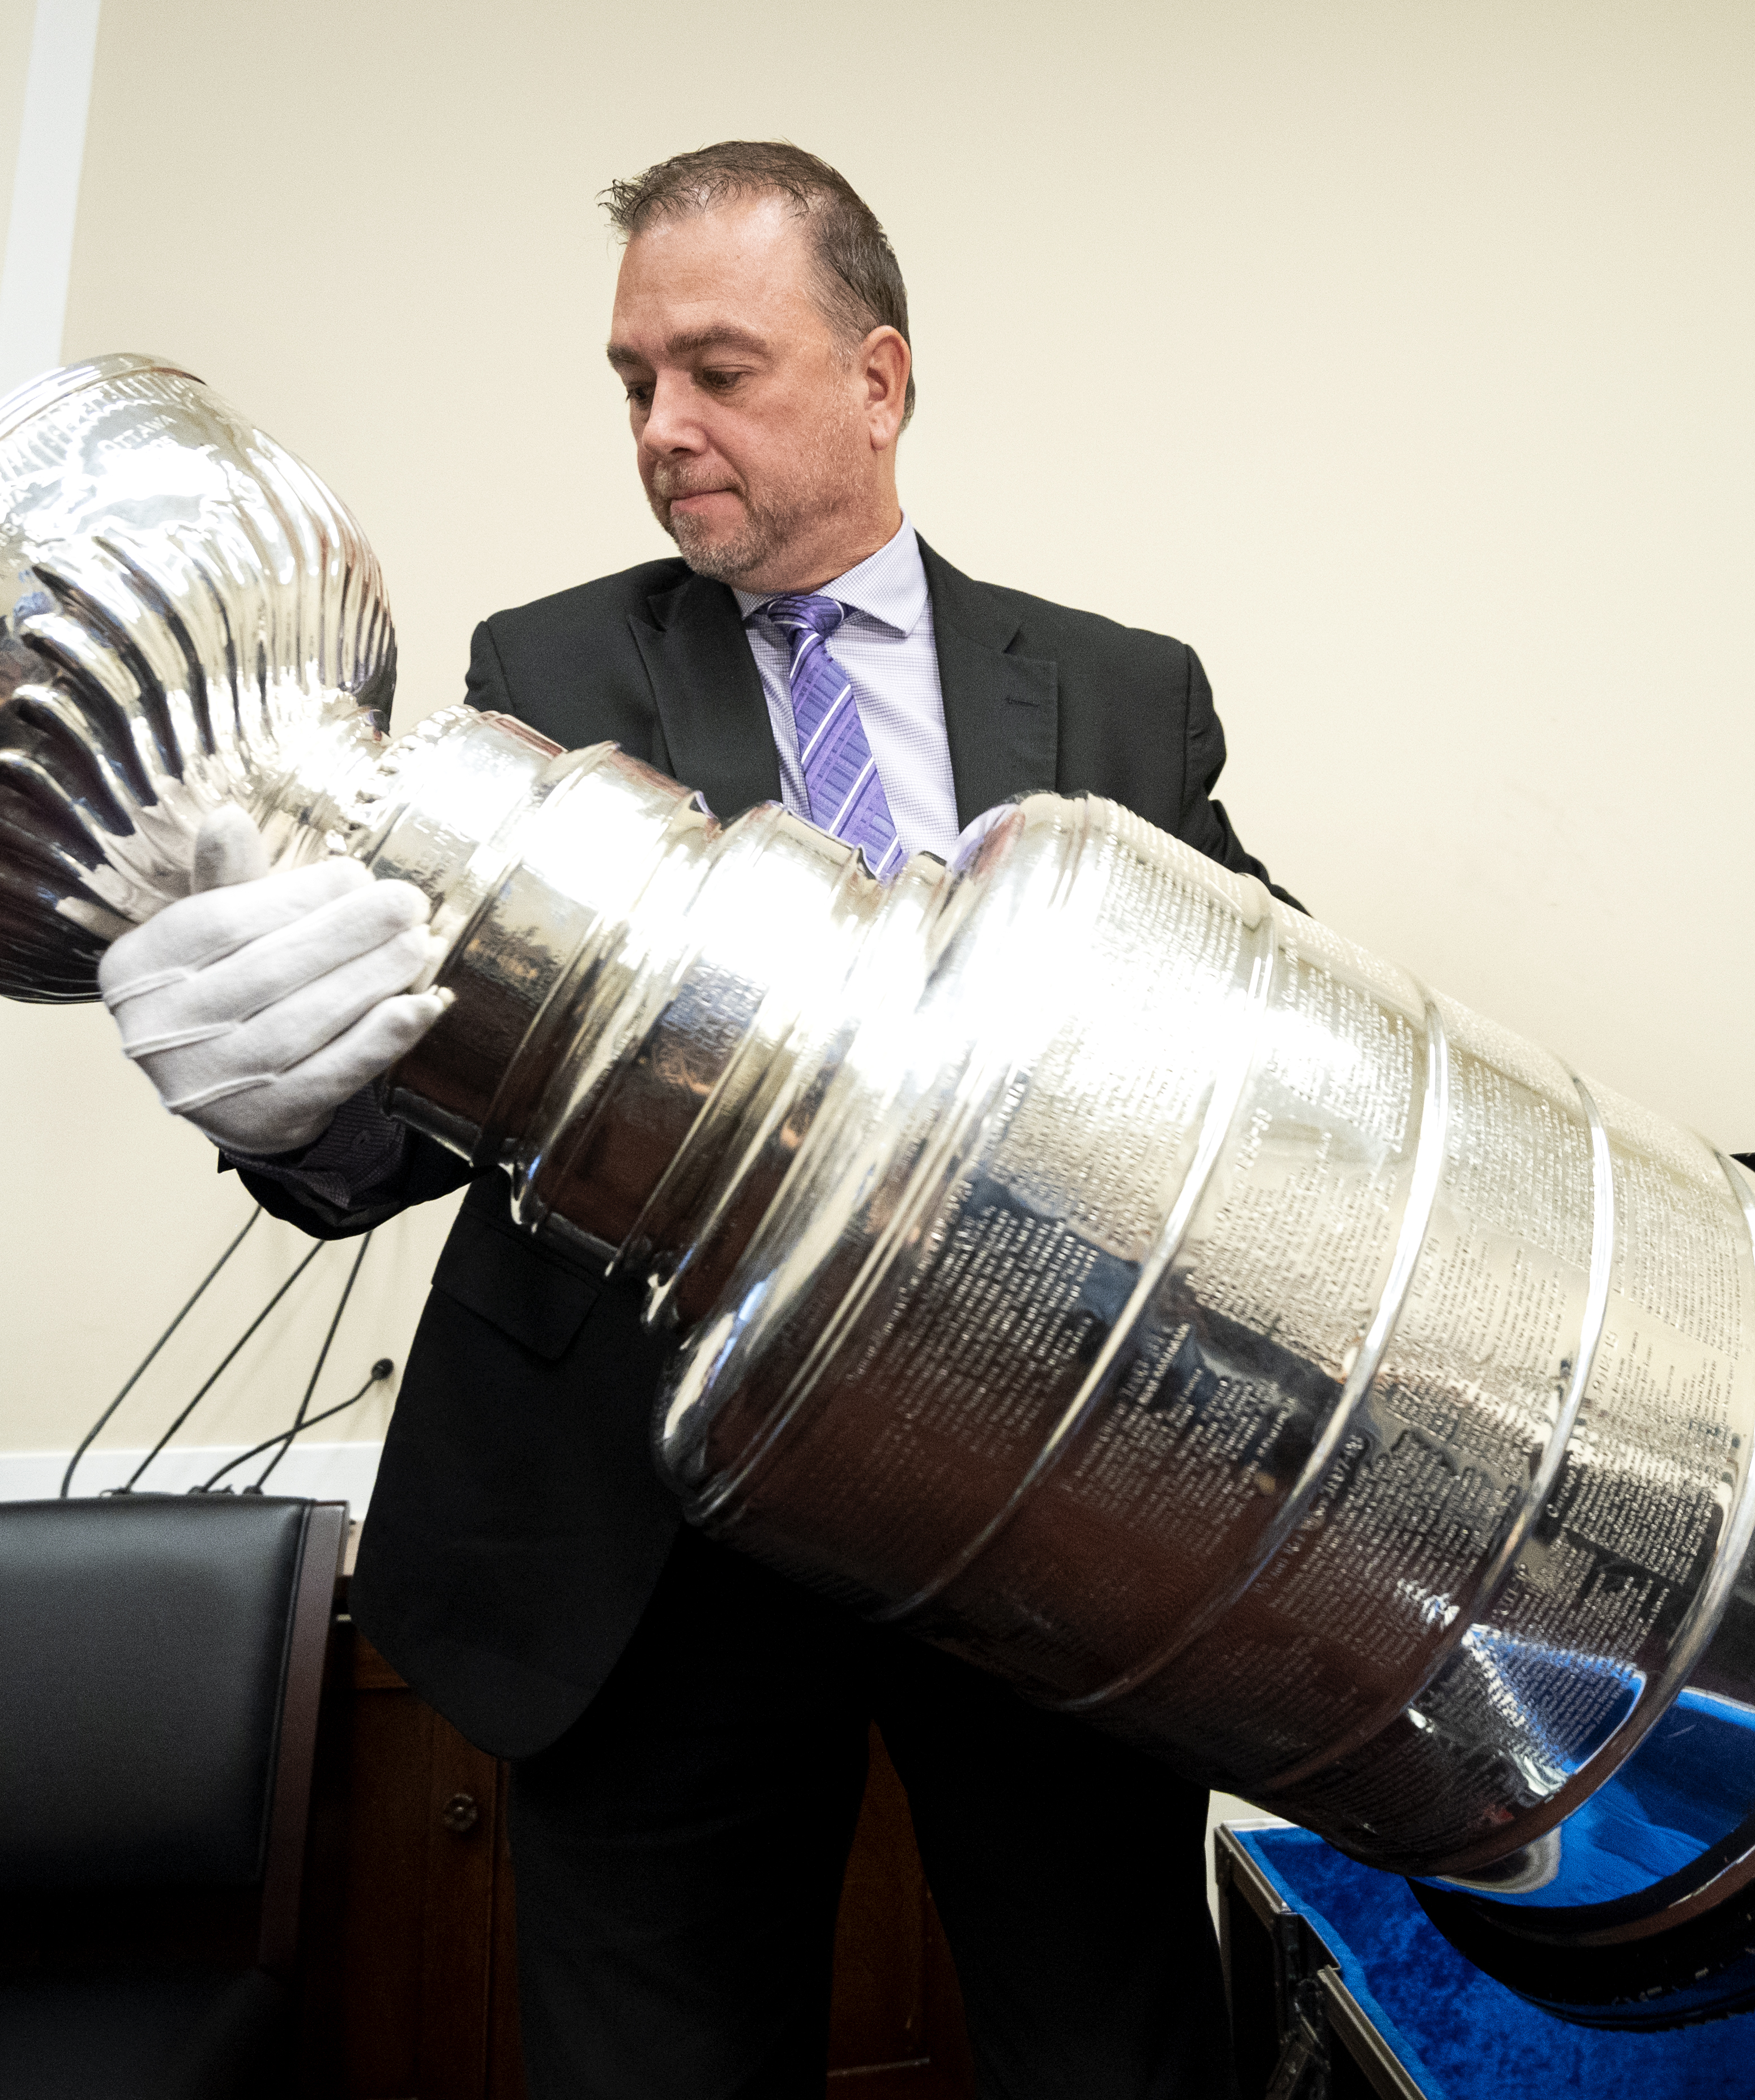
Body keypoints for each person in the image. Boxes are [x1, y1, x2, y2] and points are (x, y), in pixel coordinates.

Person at [95, 142, 1292, 2099]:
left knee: (1118, 2054)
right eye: (632, 380)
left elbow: (1263, 1050)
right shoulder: (545, 681)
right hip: (648, 1540)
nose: (662, 428)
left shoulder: (1119, 699)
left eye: (718, 370)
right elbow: (413, 1111)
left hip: (1037, 1531)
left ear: (880, 379)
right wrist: (286, 1105)